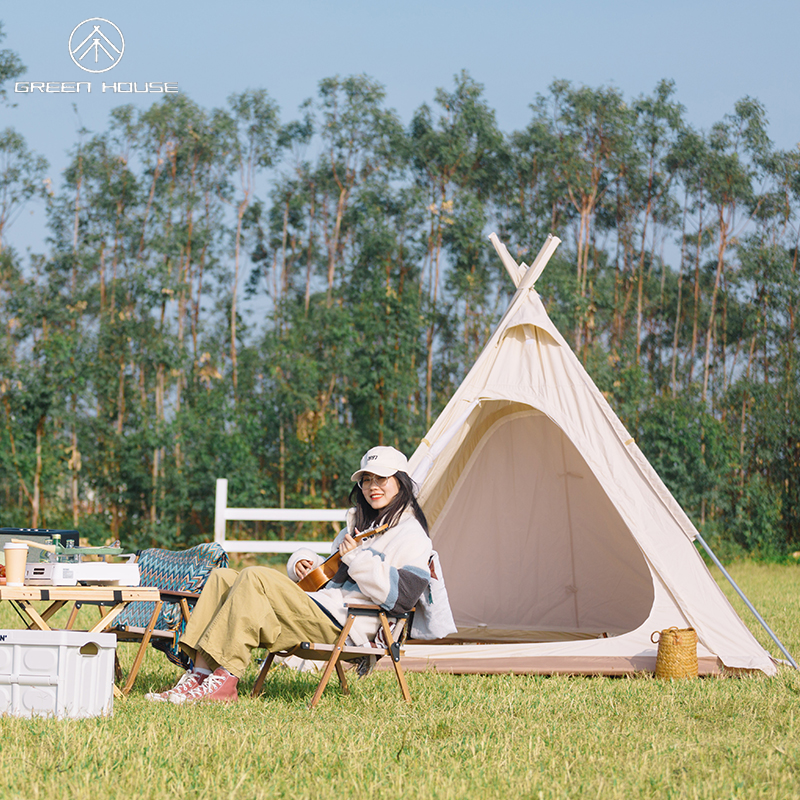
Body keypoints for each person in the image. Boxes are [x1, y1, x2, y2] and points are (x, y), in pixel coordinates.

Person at [146, 446, 432, 704]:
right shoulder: (360, 527)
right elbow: (334, 578)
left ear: (401, 482)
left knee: (256, 576)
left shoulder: (411, 535)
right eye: (366, 479)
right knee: (222, 578)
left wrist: (356, 558)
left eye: (381, 479)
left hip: (349, 625)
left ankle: (226, 681)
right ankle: (199, 675)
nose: (372, 486)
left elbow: (403, 598)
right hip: (324, 607)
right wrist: (305, 562)